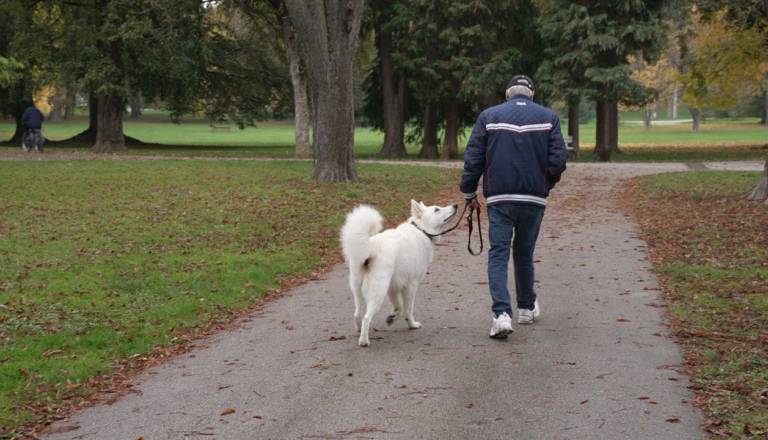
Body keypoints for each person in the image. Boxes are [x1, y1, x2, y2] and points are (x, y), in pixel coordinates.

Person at [459, 75, 567, 339]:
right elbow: (559, 159)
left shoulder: (489, 116)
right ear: (531, 93)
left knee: (498, 254)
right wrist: (545, 183)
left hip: (499, 197)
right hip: (533, 197)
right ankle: (527, 308)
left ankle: (501, 314)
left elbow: (474, 156)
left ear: (508, 94)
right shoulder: (548, 117)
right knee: (524, 252)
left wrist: (469, 191)